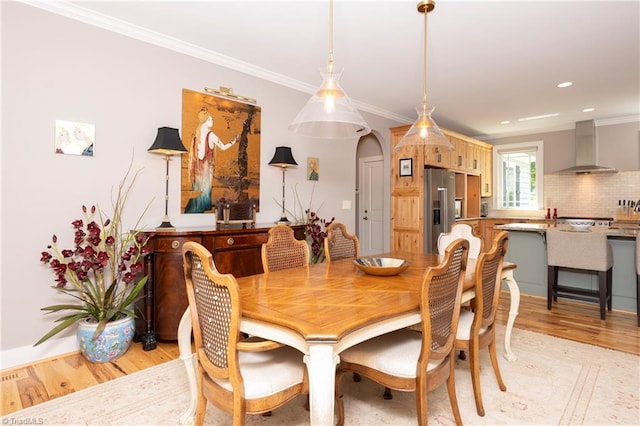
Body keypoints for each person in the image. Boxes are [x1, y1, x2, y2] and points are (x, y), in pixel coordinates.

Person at [185, 108, 238, 213]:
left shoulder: (196, 135)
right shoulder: (211, 135)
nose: (212, 121)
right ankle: (199, 210)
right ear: (204, 120)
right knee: (204, 192)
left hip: (196, 169)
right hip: (205, 169)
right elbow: (222, 146)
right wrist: (234, 141)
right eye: (210, 119)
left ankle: (194, 211)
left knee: (197, 192)